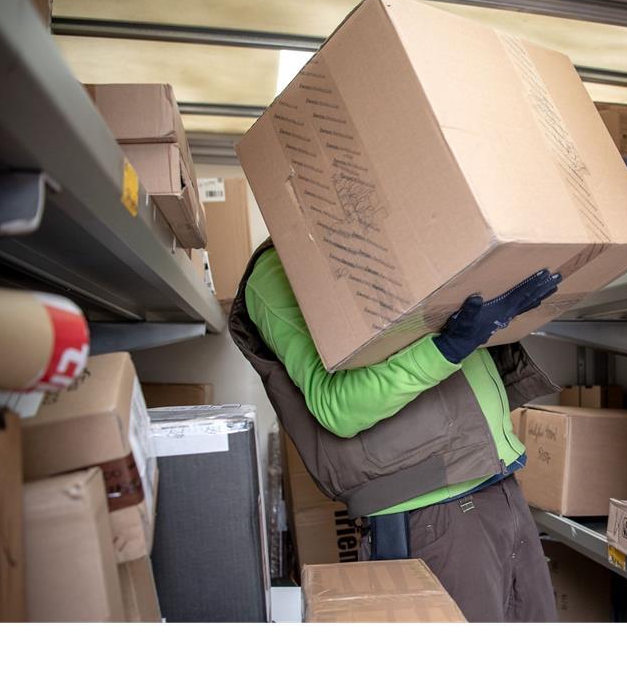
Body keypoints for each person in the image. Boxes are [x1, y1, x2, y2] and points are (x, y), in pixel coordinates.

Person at [229, 239, 564, 622]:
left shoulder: (398, 231)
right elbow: (338, 406)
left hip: (498, 482)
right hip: (430, 510)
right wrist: (450, 347)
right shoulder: (278, 272)